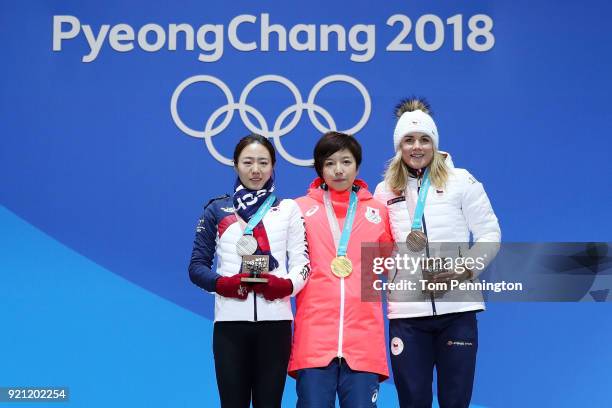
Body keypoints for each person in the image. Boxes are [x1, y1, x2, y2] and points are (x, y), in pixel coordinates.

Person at [374, 98, 501, 408]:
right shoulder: (384, 190)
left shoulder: (461, 181)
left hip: (457, 312)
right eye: (409, 140)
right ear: (398, 146)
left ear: (435, 143)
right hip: (407, 317)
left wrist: (466, 268)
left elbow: (490, 233)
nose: (417, 147)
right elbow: (379, 245)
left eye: (424, 139)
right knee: (413, 401)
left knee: (455, 401)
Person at [188, 134, 310, 408]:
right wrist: (224, 284)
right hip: (230, 328)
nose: (256, 170)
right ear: (235, 165)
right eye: (248, 162)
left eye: (263, 162)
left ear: (273, 166)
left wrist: (285, 286)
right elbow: (196, 267)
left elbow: (303, 264)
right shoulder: (217, 209)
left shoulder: (288, 209)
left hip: (275, 326)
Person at [289, 131, 392, 407]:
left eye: (346, 162)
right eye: (330, 162)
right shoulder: (298, 209)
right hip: (314, 339)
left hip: (364, 342)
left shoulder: (378, 211)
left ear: (357, 167)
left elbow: (393, 266)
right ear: (320, 168)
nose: (338, 170)